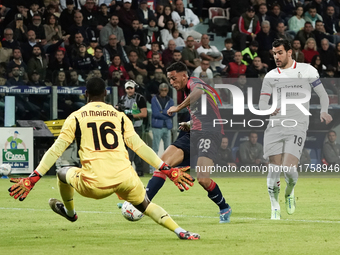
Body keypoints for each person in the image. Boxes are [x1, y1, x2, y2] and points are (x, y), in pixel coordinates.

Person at [8, 77, 200, 240]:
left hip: (95, 184)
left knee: (61, 172)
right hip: (126, 178)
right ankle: (181, 231)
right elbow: (140, 147)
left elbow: (55, 150)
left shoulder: (76, 117)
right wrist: (166, 168)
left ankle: (70, 213)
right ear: (106, 95)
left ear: (86, 95)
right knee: (146, 205)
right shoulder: (119, 116)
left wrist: (33, 178)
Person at [142, 62, 232, 224]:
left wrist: (179, 107)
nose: (171, 83)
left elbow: (199, 92)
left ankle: (224, 207)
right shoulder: (185, 90)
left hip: (210, 134)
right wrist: (189, 124)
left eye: (174, 78)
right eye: (169, 79)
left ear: (184, 76)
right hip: (193, 133)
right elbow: (204, 112)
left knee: (203, 179)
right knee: (162, 164)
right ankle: (142, 204)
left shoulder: (194, 83)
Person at [259, 39, 333, 220]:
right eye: (274, 53)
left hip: (297, 125)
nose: (276, 56)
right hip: (275, 126)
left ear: (290, 52)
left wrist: (324, 111)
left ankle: (289, 192)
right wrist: (267, 109)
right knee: (274, 170)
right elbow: (262, 103)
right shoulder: (269, 76)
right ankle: (274, 206)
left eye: (280, 52)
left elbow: (323, 94)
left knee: (289, 168)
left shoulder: (307, 70)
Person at [117, 80, 147, 176]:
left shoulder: (140, 98)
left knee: (133, 149)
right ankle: (139, 170)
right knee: (132, 148)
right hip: (125, 126)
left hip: (136, 126)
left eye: (131, 88)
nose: (129, 90)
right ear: (125, 89)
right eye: (128, 88)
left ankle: (127, 169)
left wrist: (130, 115)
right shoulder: (122, 98)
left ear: (134, 89)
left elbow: (144, 113)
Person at [150, 83, 175, 173]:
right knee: (155, 148)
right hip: (157, 127)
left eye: (165, 90)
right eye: (162, 90)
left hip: (167, 127)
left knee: (168, 149)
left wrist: (162, 112)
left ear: (167, 91)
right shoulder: (154, 99)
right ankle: (152, 169)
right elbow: (155, 113)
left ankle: (167, 168)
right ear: (159, 91)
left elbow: (173, 113)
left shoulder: (170, 100)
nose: (164, 92)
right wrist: (166, 113)